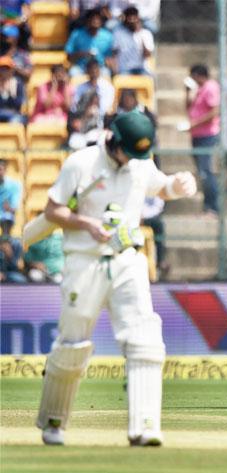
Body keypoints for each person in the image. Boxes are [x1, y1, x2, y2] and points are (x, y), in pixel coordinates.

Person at [35, 111, 197, 446]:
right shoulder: (81, 163)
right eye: (128, 152)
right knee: (73, 342)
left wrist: (177, 186)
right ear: (112, 140)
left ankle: (145, 426)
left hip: (128, 259)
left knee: (145, 339)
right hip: (85, 261)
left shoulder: (139, 162)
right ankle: (54, 421)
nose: (132, 160)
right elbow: (53, 210)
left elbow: (160, 187)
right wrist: (87, 224)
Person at [186, 64, 220, 216]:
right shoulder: (198, 89)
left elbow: (214, 111)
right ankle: (208, 207)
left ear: (199, 75)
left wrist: (195, 123)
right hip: (197, 135)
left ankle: (212, 207)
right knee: (202, 172)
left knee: (206, 172)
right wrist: (187, 92)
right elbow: (188, 108)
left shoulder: (210, 87)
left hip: (207, 135)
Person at [65, 8, 115, 77]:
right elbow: (69, 57)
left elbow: (111, 57)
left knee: (106, 73)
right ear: (87, 21)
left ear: (101, 21)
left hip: (100, 68)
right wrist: (84, 53)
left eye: (97, 18)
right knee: (73, 72)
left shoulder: (108, 36)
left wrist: (109, 62)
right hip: (81, 68)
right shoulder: (77, 34)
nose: (95, 21)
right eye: (92, 18)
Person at [111, 6, 154, 75]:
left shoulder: (146, 33)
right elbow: (114, 54)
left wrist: (139, 34)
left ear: (138, 18)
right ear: (125, 20)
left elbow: (147, 55)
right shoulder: (118, 33)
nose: (132, 20)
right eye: (129, 18)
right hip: (125, 69)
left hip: (141, 69)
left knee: (151, 78)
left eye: (134, 18)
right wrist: (115, 69)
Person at [0, 55, 26, 124]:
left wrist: (11, 93)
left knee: (15, 121)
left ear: (12, 70)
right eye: (2, 68)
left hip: (13, 113)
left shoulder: (17, 83)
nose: (4, 71)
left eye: (7, 68)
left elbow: (19, 104)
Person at [0, 159, 21, 235]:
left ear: (5, 170)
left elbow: (14, 208)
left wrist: (9, 208)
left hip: (5, 215)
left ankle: (6, 240)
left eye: (0, 170)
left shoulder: (14, 186)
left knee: (7, 217)